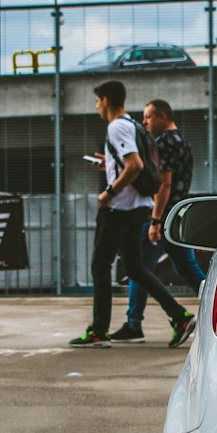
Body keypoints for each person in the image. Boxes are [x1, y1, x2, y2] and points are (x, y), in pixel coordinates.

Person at [70, 79, 196, 348]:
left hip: (119, 209)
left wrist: (109, 192)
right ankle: (179, 316)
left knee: (101, 266)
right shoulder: (134, 127)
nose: (96, 107)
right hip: (138, 207)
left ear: (106, 100)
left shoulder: (116, 127)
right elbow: (136, 163)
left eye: (97, 101)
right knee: (137, 268)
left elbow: (135, 165)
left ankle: (99, 331)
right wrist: (111, 165)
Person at [112, 98, 206, 343]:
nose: (144, 122)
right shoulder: (183, 143)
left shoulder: (163, 143)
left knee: (139, 268)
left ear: (163, 116)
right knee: (187, 268)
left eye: (148, 117)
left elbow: (164, 183)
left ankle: (134, 325)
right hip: (178, 216)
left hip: (162, 216)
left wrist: (155, 220)